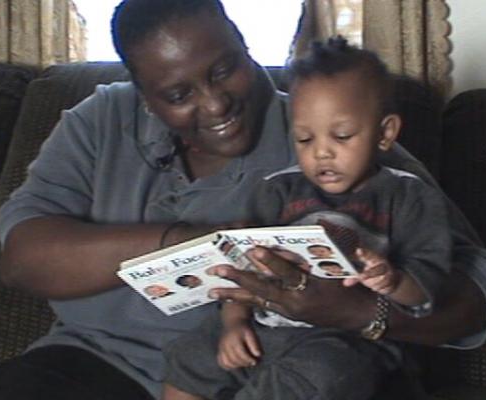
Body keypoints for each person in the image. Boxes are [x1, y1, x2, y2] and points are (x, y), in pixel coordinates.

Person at [0, 1, 486, 399]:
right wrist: (189, 244)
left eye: (225, 68)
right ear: (142, 94)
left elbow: (480, 292)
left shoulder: (324, 137)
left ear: (244, 44)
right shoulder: (99, 120)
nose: (217, 102)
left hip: (272, 368)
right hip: (91, 364)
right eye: (178, 95)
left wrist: (361, 312)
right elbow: (21, 257)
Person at [162, 38, 454, 400]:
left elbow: (429, 287)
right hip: (264, 322)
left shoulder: (409, 196)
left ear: (385, 133)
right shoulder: (277, 191)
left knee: (323, 375)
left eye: (342, 136)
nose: (321, 152)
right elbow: (242, 265)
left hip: (342, 340)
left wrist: (393, 282)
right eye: (304, 138)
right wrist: (234, 323)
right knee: (189, 356)